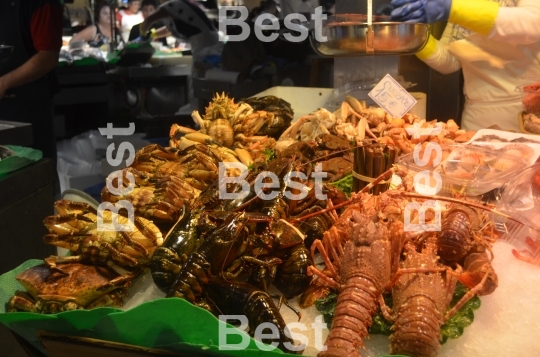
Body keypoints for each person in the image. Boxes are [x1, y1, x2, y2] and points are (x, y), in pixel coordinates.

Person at [390, 0, 540, 132]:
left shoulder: (455, 4)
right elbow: (450, 60)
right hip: (475, 116)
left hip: (526, 116)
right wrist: (415, 37)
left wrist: (451, 8)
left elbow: (532, 23)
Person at [0, 0, 62, 168]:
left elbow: (48, 56)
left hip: (27, 108)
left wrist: (4, 82)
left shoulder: (38, 3)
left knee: (33, 176)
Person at [139, 0, 222, 61]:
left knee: (201, 76)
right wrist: (152, 35)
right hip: (211, 42)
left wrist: (142, 36)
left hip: (203, 45)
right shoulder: (180, 5)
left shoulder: (171, 4)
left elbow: (149, 20)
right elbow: (169, 30)